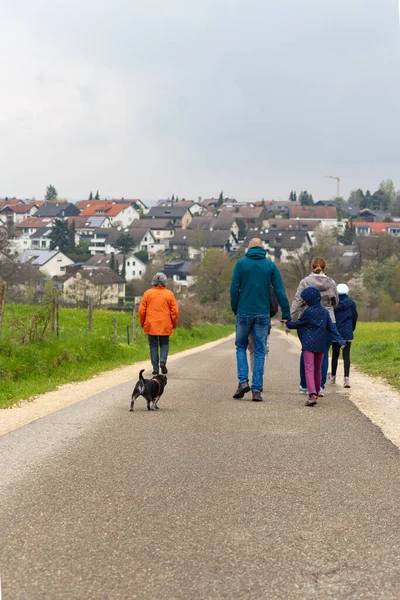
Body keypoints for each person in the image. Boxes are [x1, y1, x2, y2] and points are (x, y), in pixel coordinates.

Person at [230, 238, 291, 402]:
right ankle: (256, 390)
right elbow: (279, 291)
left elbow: (234, 288)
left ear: (248, 248)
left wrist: (235, 308)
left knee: (241, 346)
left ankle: (243, 381)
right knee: (260, 350)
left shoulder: (241, 264)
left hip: (243, 312)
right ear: (263, 248)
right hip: (262, 314)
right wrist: (286, 313)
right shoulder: (270, 265)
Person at [285, 287, 345, 406]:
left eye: (306, 299)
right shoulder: (324, 312)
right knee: (317, 369)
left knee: (309, 368)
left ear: (310, 299)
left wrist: (287, 322)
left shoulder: (308, 312)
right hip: (321, 345)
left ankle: (312, 394)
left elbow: (298, 324)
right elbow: (331, 327)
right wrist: (340, 341)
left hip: (308, 344)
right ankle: (317, 391)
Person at [290, 257, 338, 396]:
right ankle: (320, 386)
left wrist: (291, 319)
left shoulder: (305, 282)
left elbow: (297, 301)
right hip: (328, 319)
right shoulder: (331, 282)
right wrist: (328, 307)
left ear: (312, 267)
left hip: (307, 320)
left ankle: (305, 385)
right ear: (325, 268)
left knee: (306, 351)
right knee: (323, 354)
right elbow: (336, 301)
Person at [139, 272, 179, 375]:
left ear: (153, 282)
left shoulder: (147, 293)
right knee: (164, 343)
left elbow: (142, 311)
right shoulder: (169, 294)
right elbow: (175, 311)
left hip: (151, 324)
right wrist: (173, 324)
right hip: (165, 325)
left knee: (153, 345)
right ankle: (162, 361)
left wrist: (142, 322)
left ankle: (155, 369)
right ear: (164, 282)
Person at [327, 283, 358, 388]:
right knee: (346, 356)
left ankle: (333, 377)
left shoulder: (334, 304)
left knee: (335, 355)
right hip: (348, 333)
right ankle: (346, 379)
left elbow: (331, 318)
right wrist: (352, 328)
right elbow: (354, 317)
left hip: (336, 333)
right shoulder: (352, 304)